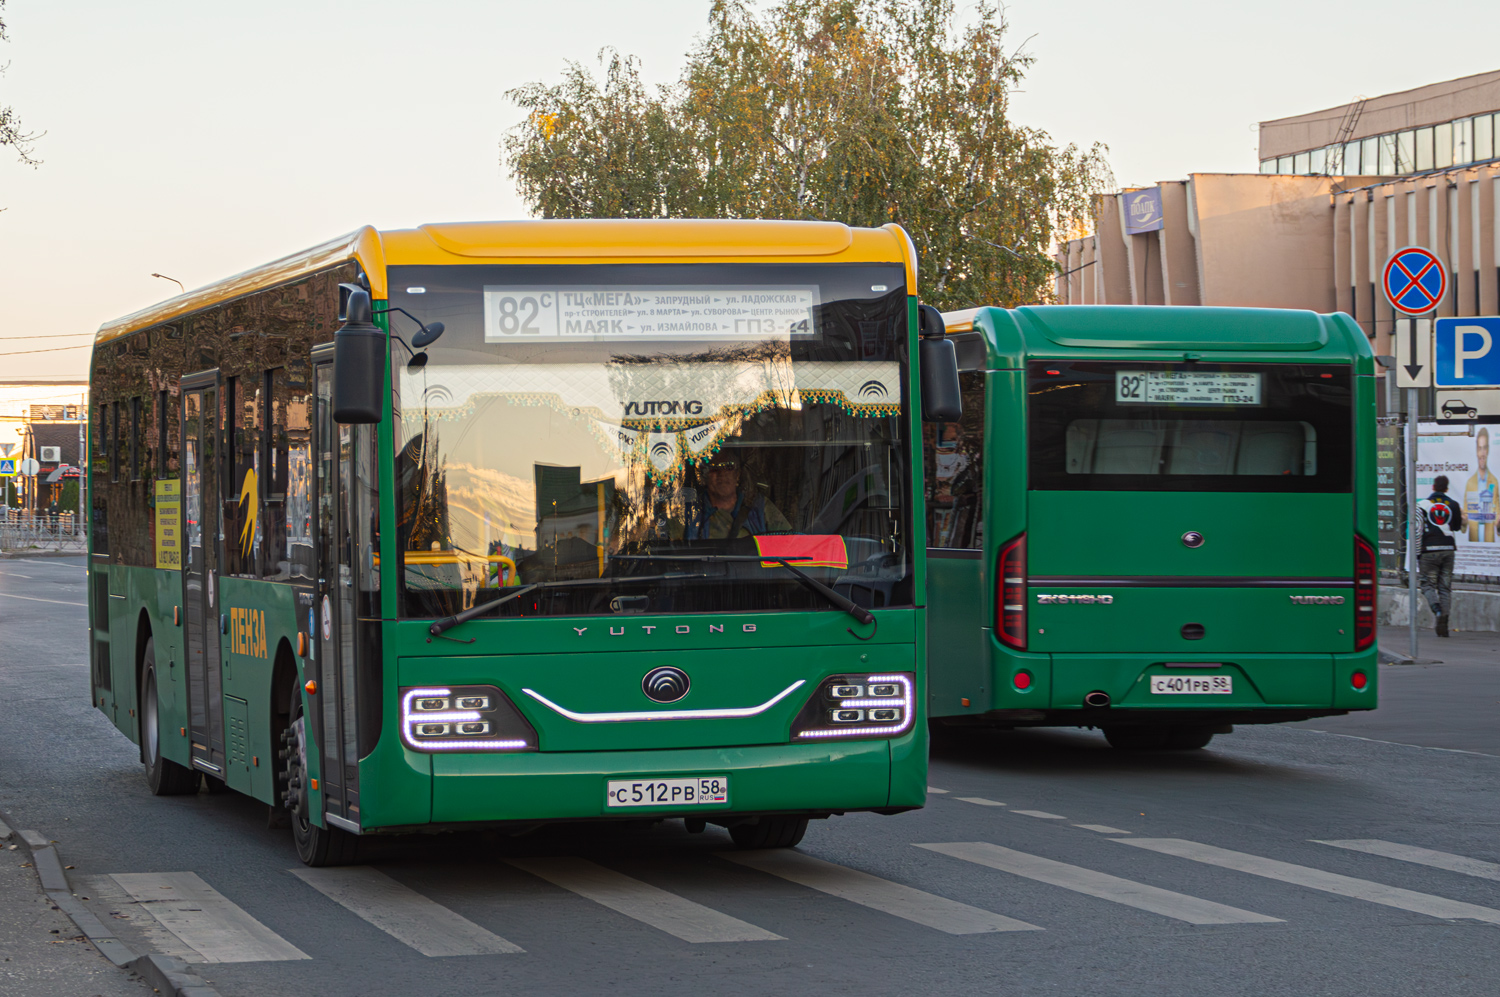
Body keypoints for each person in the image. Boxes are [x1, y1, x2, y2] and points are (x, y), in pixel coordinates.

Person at [681, 451, 791, 539]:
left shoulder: (760, 507)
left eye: (728, 467)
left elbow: (788, 543)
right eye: (714, 467)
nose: (722, 474)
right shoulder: (689, 512)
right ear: (705, 477)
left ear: (737, 475)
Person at [1417, 474, 1465, 638]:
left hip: (1428, 550)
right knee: (1445, 587)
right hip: (1448, 549)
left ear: (1433, 487)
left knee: (1427, 584)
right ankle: (1444, 619)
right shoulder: (1453, 504)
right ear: (1446, 488)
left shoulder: (1422, 505)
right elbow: (1457, 527)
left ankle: (1437, 610)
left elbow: (1417, 530)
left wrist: (1418, 553)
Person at [1464, 427, 1498, 544]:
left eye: (1484, 448)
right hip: (1474, 544)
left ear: (1488, 450)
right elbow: (1465, 511)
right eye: (1479, 448)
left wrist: (1498, 522)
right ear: (1476, 451)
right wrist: (1463, 520)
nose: (1482, 453)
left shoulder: (1494, 481)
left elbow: (1497, 507)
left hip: (1490, 544)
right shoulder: (1470, 483)